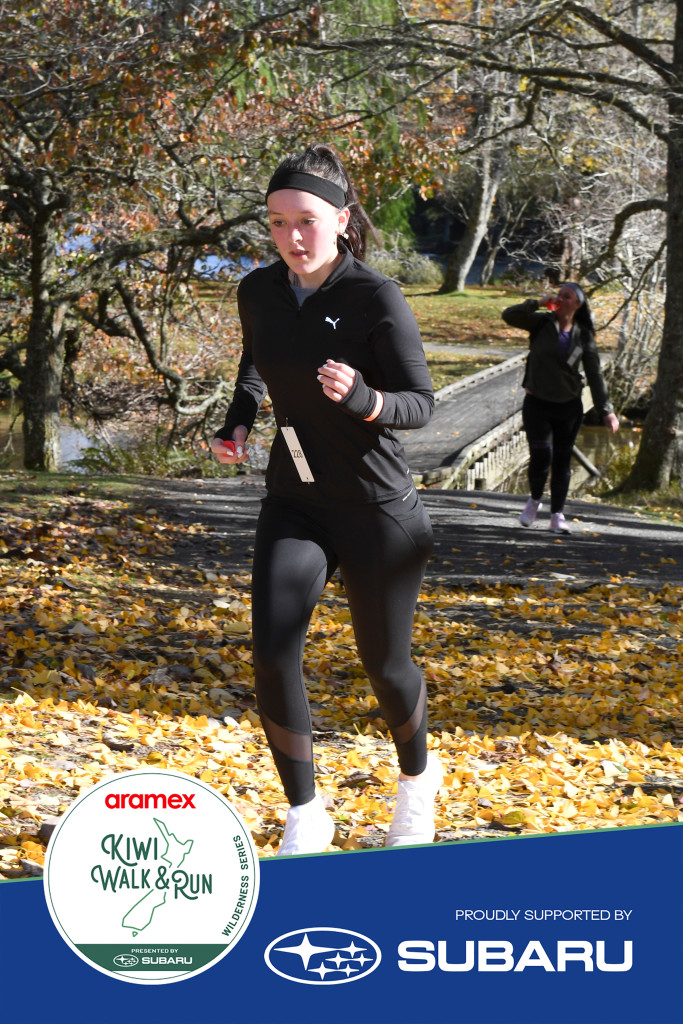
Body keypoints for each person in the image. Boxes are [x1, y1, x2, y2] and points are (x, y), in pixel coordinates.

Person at [211, 144, 442, 855]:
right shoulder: (258, 291)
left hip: (376, 507)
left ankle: (417, 783)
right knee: (272, 653)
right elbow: (256, 365)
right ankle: (306, 814)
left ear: (341, 220)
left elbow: (421, 403)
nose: (292, 237)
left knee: (386, 668)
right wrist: (238, 420)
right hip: (296, 498)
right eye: (278, 223)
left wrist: (367, 399)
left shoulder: (375, 297)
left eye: (306, 221)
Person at [502, 283, 620, 533]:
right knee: (541, 455)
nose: (560, 299)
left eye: (567, 296)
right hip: (537, 402)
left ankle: (557, 515)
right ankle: (534, 500)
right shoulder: (541, 323)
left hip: (568, 406)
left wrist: (606, 410)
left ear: (577, 304)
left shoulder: (583, 335)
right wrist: (537, 303)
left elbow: (595, 375)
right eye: (559, 295)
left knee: (562, 461)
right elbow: (509, 315)